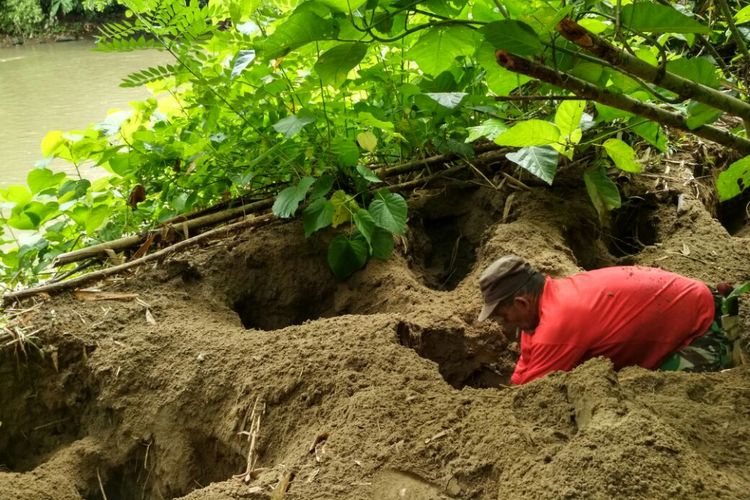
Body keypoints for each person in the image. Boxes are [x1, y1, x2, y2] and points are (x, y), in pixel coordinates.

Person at [477, 255, 742, 385]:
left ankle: (730, 347)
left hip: (704, 327)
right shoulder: (546, 301)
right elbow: (526, 360)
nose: (502, 323)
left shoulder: (559, 321)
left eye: (503, 315)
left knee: (642, 392)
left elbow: (534, 393)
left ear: (522, 302)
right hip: (690, 303)